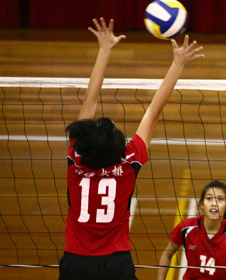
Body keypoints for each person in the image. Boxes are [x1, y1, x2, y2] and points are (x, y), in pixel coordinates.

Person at [59, 17, 204, 280]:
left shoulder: (77, 158)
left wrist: (104, 50)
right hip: (116, 263)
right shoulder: (128, 162)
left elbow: (89, 102)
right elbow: (154, 111)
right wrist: (178, 64)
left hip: (76, 262)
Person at [158, 180, 226, 280]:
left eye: (220, 199)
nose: (214, 203)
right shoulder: (186, 228)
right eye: (209, 198)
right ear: (201, 204)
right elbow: (167, 255)